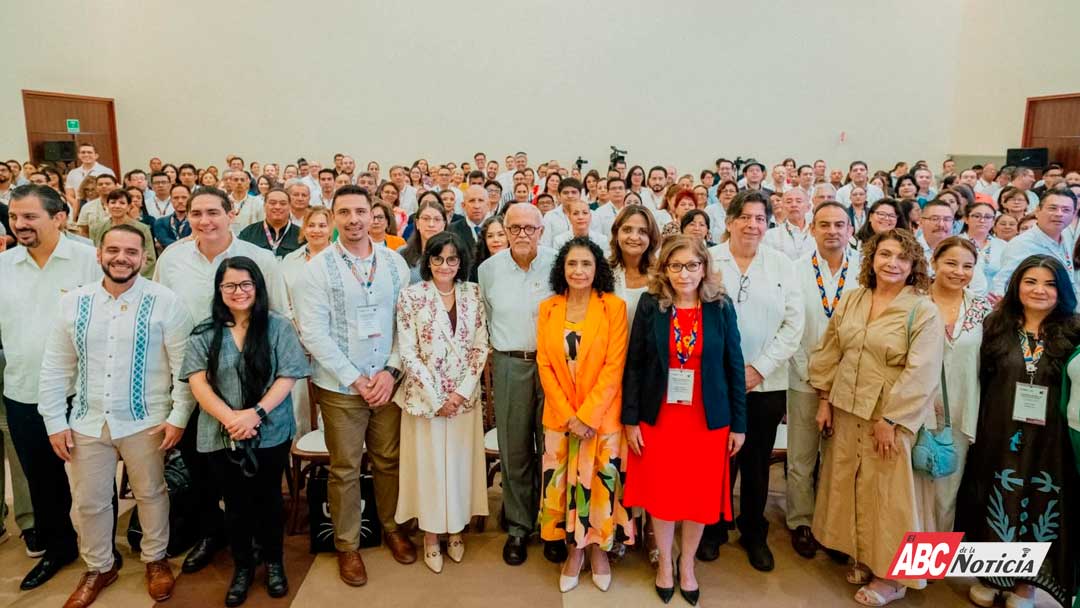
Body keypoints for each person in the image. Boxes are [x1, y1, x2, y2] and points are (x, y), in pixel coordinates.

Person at [39, 224, 191, 607]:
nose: (121, 258)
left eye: (130, 252)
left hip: (147, 419)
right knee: (89, 500)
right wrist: (55, 421)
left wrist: (178, 417)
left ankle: (155, 560)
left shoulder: (165, 301)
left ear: (143, 257)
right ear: (99, 254)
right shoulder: (74, 302)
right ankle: (99, 565)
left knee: (151, 493)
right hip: (88, 420)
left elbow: (185, 367)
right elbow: (56, 367)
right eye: (113, 250)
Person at [154, 187, 289, 574]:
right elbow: (161, 313)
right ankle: (212, 534)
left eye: (213, 212)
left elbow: (277, 315)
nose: (205, 221)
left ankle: (264, 543)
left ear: (232, 214)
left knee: (257, 473)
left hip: (252, 387)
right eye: (196, 213)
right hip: (194, 382)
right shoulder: (173, 258)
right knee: (203, 469)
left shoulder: (260, 259)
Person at [809, 228, 944, 606]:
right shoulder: (854, 299)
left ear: (914, 264)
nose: (892, 263)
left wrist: (893, 420)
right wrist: (824, 399)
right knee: (854, 487)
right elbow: (831, 350)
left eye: (902, 257)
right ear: (872, 259)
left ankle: (895, 577)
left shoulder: (922, 309)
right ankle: (867, 557)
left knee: (891, 498)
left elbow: (923, 371)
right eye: (885, 255)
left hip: (889, 417)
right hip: (846, 408)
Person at [294, 185, 417, 585]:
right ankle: (347, 545)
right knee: (344, 468)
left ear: (374, 215)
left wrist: (391, 372)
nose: (353, 219)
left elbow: (405, 323)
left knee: (388, 460)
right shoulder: (316, 269)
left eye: (360, 211)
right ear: (332, 218)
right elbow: (314, 334)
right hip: (341, 388)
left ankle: (392, 528)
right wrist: (356, 379)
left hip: (387, 384)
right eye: (344, 212)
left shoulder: (394, 263)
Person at [623, 236, 746, 606]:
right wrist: (631, 420)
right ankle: (664, 564)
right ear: (664, 270)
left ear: (704, 267)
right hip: (660, 416)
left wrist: (739, 423)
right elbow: (636, 364)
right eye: (675, 266)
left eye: (692, 265)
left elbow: (734, 365)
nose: (684, 273)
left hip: (706, 419)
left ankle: (687, 563)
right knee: (662, 493)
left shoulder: (720, 306)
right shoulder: (651, 305)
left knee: (698, 496)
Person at [182, 257, 309, 606]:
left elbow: (288, 375)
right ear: (219, 290)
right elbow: (198, 382)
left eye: (245, 285)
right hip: (221, 432)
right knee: (235, 504)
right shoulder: (205, 332)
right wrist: (230, 419)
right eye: (230, 286)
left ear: (257, 288)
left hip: (270, 430)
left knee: (268, 500)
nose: (238, 292)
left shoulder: (278, 327)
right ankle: (242, 568)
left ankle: (274, 563)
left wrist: (254, 414)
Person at [958, 255, 1079, 608]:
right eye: (1031, 281)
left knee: (1040, 501)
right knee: (995, 496)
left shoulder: (1074, 331)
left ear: (1062, 290)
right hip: (998, 430)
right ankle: (991, 575)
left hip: (1051, 439)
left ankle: (1026, 584)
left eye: (1049, 283)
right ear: (1017, 286)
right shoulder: (994, 325)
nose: (1039, 290)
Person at [0, 185, 101, 590]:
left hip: (84, 389)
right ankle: (59, 548)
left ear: (58, 217)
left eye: (30, 217)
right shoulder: (4, 266)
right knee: (42, 479)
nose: (20, 225)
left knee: (94, 478)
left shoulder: (88, 261)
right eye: (14, 217)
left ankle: (101, 554)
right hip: (24, 390)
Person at [703, 191, 804, 570]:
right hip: (716, 381)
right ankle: (713, 528)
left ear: (767, 224)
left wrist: (759, 368)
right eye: (744, 217)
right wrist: (729, 372)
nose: (752, 225)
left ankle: (753, 531)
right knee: (717, 459)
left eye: (760, 218)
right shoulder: (709, 260)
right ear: (729, 221)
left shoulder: (782, 265)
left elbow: (794, 324)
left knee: (757, 460)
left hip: (766, 381)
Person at [537, 237, 633, 593]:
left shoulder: (613, 307)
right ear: (562, 269)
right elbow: (545, 365)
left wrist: (588, 416)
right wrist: (570, 416)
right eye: (572, 264)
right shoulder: (549, 307)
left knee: (599, 489)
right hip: (560, 419)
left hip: (602, 419)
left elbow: (614, 366)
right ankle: (573, 552)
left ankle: (599, 552)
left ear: (598, 270)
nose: (579, 271)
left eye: (586, 264)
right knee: (563, 488)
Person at [394, 232, 490, 574]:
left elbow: (481, 346)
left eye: (452, 259)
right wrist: (438, 398)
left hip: (464, 399)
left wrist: (460, 392)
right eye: (437, 259)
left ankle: (456, 529)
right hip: (425, 401)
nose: (445, 265)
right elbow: (407, 351)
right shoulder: (411, 296)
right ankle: (431, 535)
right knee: (431, 468)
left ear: (461, 261)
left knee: (460, 466)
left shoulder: (473, 294)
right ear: (427, 261)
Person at [477, 203, 557, 566]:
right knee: (515, 450)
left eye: (530, 228)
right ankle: (519, 526)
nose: (523, 234)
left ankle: (553, 525)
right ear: (504, 231)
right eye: (515, 228)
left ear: (542, 230)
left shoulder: (559, 263)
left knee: (552, 448)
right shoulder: (488, 270)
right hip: (510, 363)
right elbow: (488, 319)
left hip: (554, 365)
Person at [787, 202, 860, 559]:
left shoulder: (864, 272)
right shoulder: (796, 270)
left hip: (849, 381)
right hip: (803, 376)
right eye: (824, 224)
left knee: (839, 459)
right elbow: (792, 329)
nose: (832, 231)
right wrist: (816, 382)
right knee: (801, 456)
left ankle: (832, 525)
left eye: (839, 225)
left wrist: (835, 383)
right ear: (812, 229)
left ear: (851, 230)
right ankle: (801, 520)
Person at [914, 237, 991, 534]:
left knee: (946, 492)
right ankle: (900, 566)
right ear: (934, 263)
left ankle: (932, 561)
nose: (959, 271)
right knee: (911, 491)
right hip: (914, 410)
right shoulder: (914, 301)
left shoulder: (982, 309)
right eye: (951, 263)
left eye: (967, 266)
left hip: (959, 412)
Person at [991, 190, 1078, 302]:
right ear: (1037, 210)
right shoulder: (1022, 244)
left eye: (1066, 210)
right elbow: (1003, 282)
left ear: (1073, 214)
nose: (1059, 214)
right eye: (1052, 208)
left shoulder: (1068, 237)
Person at [609, 206, 659, 331]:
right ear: (616, 234)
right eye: (627, 230)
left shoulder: (661, 275)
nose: (634, 237)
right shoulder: (604, 273)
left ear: (651, 237)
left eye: (642, 232)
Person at [89, 189, 157, 277]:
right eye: (113, 202)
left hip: (135, 277)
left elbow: (149, 259)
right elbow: (94, 255)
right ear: (107, 205)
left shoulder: (142, 228)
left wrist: (128, 275)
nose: (117, 206)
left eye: (122, 203)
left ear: (129, 206)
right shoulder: (97, 228)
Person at [238, 187, 301, 258]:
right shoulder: (248, 233)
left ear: (289, 206)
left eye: (283, 203)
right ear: (264, 206)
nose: (277, 207)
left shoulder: (301, 235)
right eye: (272, 203)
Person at [399, 200, 448, 284]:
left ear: (444, 224)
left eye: (437, 219)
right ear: (417, 223)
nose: (431, 224)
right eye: (426, 219)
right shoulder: (402, 254)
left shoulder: (454, 254)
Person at [763, 188, 814, 260]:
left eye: (798, 201)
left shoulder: (817, 233)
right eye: (789, 202)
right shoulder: (770, 236)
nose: (794, 205)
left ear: (808, 207)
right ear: (783, 207)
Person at [963, 201, 1005, 288]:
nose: (982, 220)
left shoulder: (1003, 246)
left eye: (988, 217)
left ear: (993, 221)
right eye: (977, 216)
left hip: (995, 297)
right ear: (966, 219)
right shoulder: (956, 243)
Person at [151, 183, 192, 252]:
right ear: (171, 200)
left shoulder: (198, 221)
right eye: (176, 198)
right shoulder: (160, 222)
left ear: (190, 198)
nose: (180, 201)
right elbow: (164, 241)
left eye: (184, 197)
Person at [468, 215, 508, 282]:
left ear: (508, 237)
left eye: (501, 235)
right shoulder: (476, 267)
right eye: (490, 236)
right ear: (484, 240)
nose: (496, 240)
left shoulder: (518, 264)